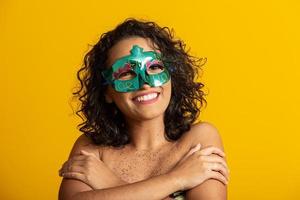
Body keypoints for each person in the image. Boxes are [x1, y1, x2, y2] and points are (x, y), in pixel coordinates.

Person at [58, 18, 229, 200]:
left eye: (154, 67)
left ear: (172, 75)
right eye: (126, 73)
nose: (145, 84)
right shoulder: (90, 148)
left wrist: (109, 183)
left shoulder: (199, 139)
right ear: (107, 91)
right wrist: (178, 179)